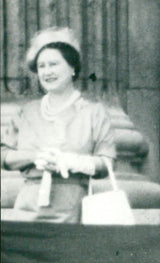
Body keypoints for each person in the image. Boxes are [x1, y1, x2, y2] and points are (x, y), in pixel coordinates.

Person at [1, 28, 116, 223]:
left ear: (73, 68)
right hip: (28, 210)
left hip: (73, 210)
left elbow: (107, 162)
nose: (47, 72)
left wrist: (74, 162)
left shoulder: (93, 112)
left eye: (53, 64)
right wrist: (35, 156)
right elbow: (4, 155)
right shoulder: (26, 111)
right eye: (41, 66)